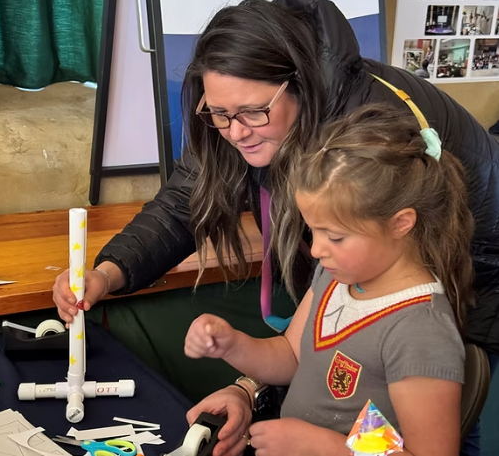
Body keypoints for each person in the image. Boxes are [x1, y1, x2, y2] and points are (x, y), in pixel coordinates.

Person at [52, 0, 499, 412]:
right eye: (219, 114)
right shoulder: (246, 114)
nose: (235, 131)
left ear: (299, 85)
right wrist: (106, 273)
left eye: (252, 112)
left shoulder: (367, 135)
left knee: (455, 416)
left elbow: (361, 343)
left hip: (480, 274)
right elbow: (184, 200)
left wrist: (290, 421)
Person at [184, 105, 470, 456]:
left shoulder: (420, 331)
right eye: (314, 231)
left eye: (335, 237)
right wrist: (232, 345)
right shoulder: (341, 276)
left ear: (401, 223)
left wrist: (324, 445)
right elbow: (291, 355)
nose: (317, 250)